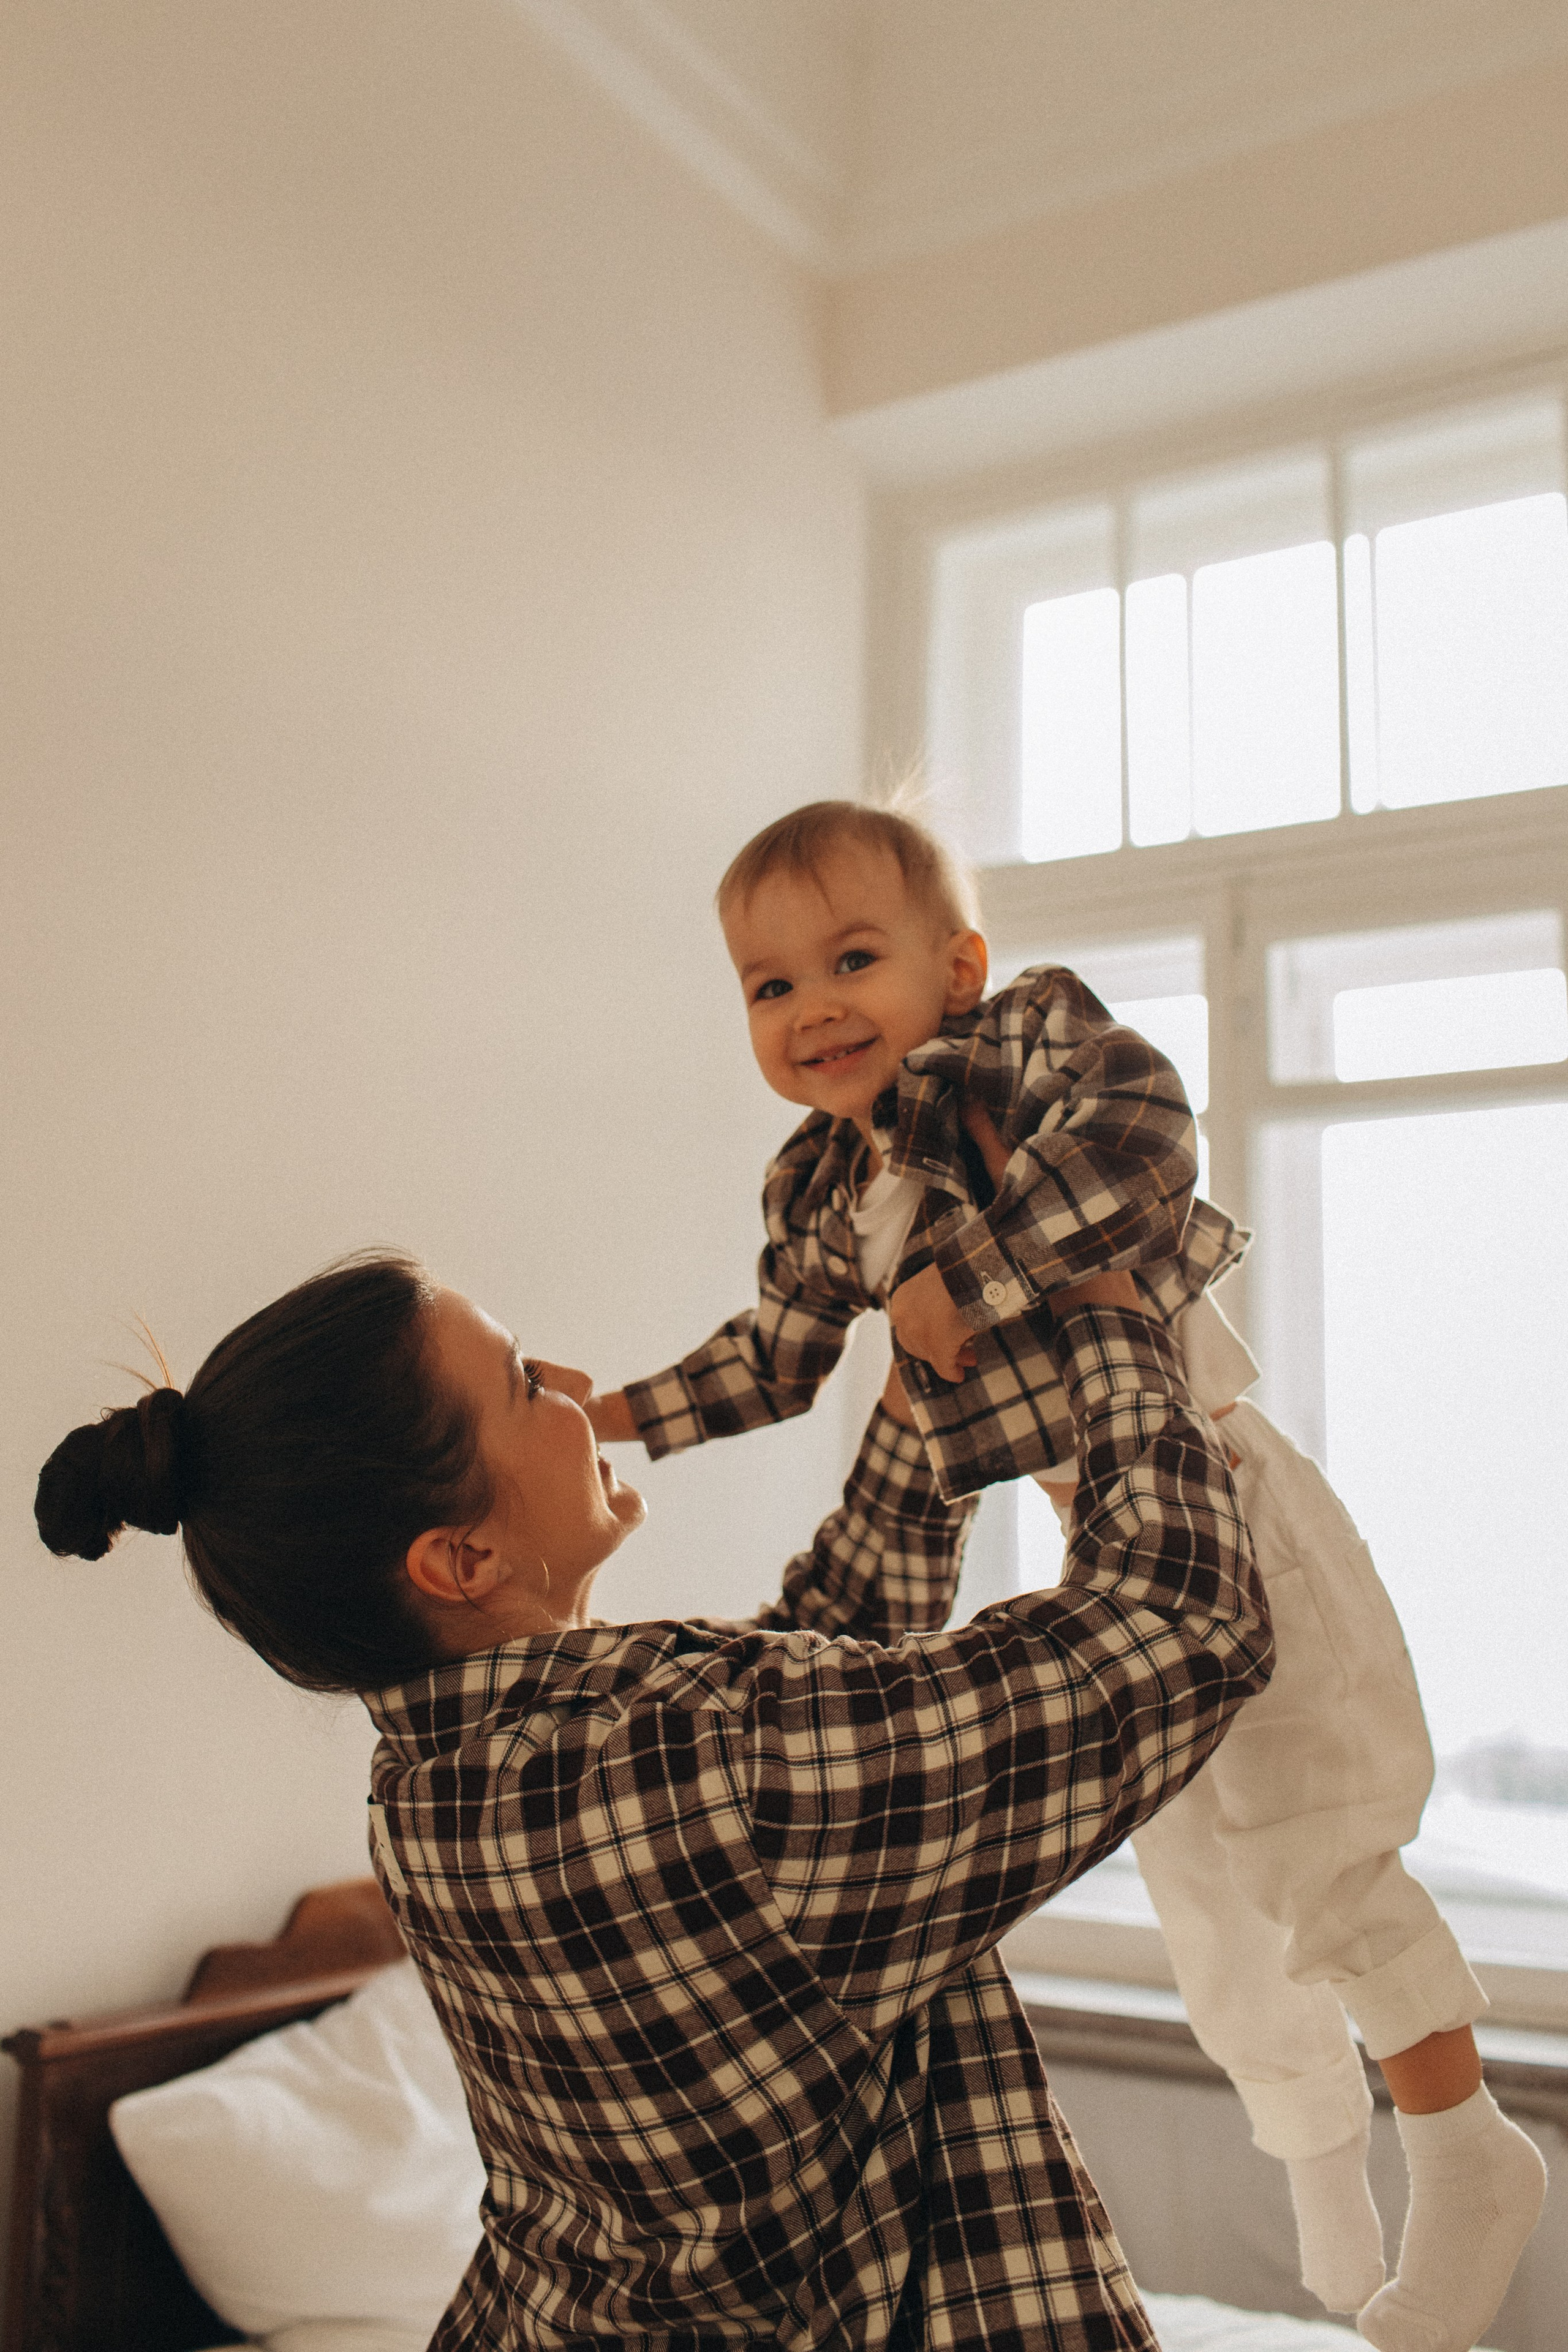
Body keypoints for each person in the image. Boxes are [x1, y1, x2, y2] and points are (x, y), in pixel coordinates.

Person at [586, 798, 1548, 2351]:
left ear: (955, 967)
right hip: (1106, 1540)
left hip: (1222, 1492)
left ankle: (1462, 2150)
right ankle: (1319, 2172)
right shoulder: (822, 1190)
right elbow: (771, 1362)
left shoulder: (1027, 1051)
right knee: (1208, 1897)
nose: (810, 1007)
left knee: (1316, 1834)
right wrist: (608, 1413)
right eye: (768, 987)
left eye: (850, 959)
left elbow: (1144, 1142)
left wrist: (968, 1275)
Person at [37, 1246, 1270, 2351]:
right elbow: (1181, 1628)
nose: (575, 1388)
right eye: (524, 1384)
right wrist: (1113, 1316)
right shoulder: (703, 1781)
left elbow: (816, 1691)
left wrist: (913, 1397)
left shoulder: (439, 1788)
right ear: (460, 1560)